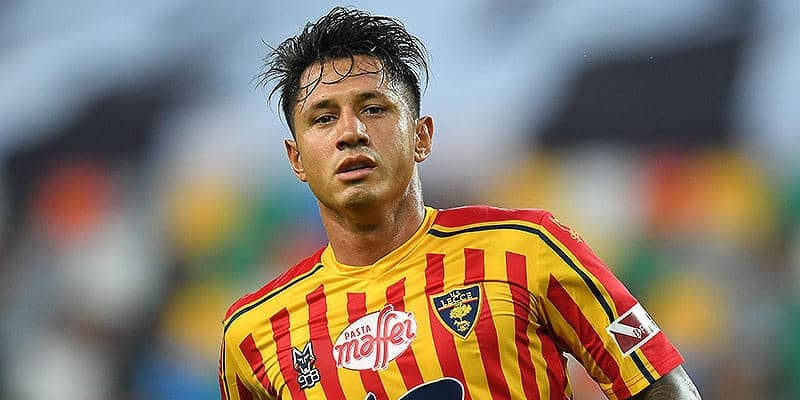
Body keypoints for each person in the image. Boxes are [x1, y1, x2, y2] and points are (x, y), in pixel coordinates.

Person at [218, 6, 702, 400]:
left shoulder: (528, 248)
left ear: (421, 137)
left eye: (374, 108)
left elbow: (662, 387)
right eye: (324, 118)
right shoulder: (253, 334)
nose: (351, 132)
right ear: (296, 158)